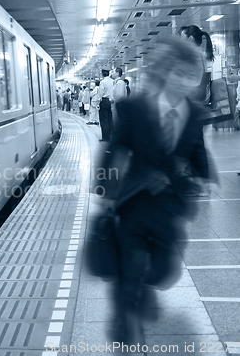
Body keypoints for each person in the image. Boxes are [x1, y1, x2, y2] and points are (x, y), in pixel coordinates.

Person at [92, 37, 215, 344]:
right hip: (133, 198)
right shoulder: (134, 108)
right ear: (163, 72)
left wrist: (205, 176)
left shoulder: (195, 113)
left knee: (164, 268)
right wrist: (105, 191)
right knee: (129, 258)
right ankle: (123, 314)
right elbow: (114, 150)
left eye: (191, 76)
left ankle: (145, 287)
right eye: (178, 73)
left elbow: (196, 149)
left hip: (169, 200)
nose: (184, 82)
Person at [179, 25, 215, 196]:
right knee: (193, 143)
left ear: (191, 39)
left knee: (197, 144)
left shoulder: (195, 56)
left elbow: (193, 82)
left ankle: (203, 185)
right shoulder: (197, 55)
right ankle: (197, 180)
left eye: (183, 37)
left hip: (193, 103)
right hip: (192, 103)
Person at [98, 69, 114, 142]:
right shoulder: (113, 81)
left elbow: (100, 94)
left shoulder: (103, 82)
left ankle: (105, 137)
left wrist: (98, 103)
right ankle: (110, 136)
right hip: (111, 101)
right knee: (110, 119)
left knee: (104, 120)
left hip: (104, 101)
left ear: (102, 74)